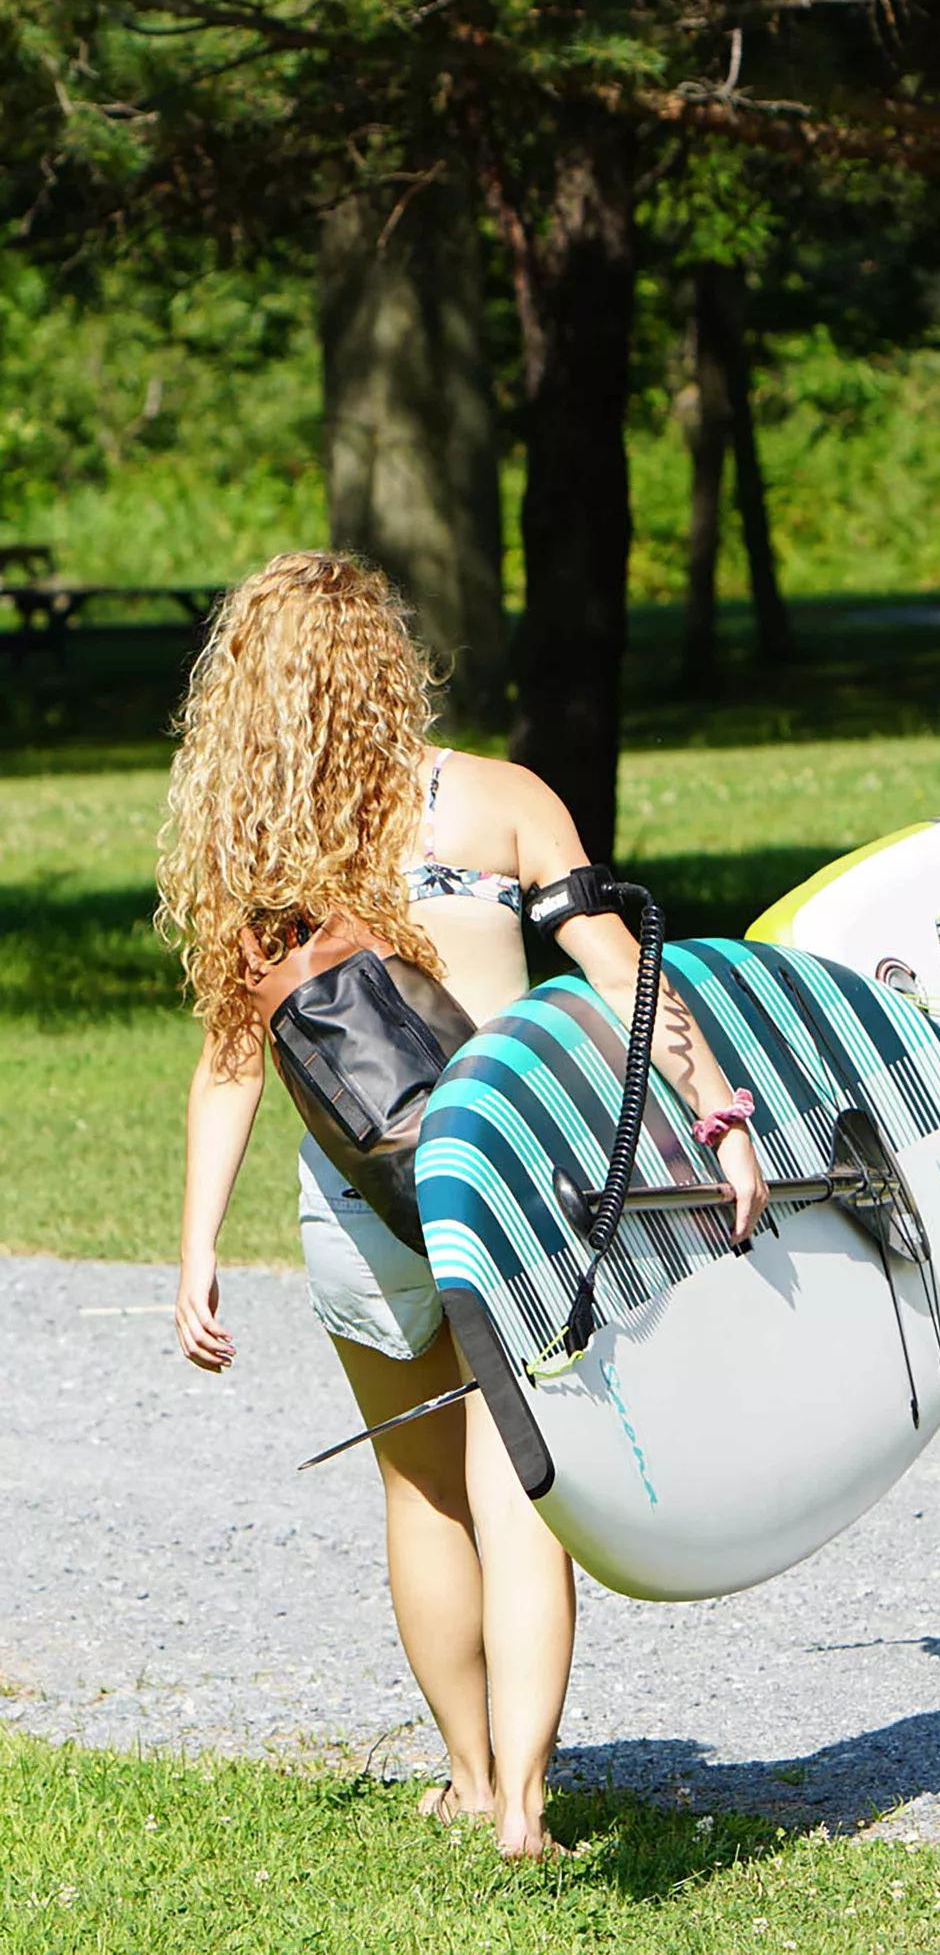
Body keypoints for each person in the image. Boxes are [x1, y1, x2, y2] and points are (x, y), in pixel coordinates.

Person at [157, 551, 769, 1854]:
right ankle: (530, 1810)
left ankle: (470, 1774)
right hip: (508, 1182)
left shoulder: (256, 849)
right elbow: (623, 983)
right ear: (388, 660)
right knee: (520, 1493)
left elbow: (230, 1060)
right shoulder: (496, 803)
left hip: (359, 1201)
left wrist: (199, 1244)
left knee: (417, 1495)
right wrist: (720, 1119)